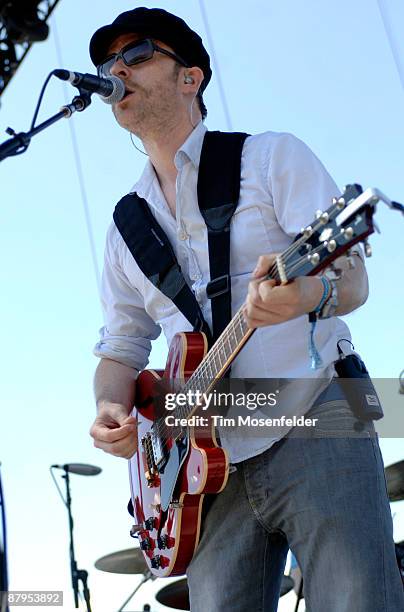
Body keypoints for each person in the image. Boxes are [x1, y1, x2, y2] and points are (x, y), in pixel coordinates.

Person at [88, 7, 404, 611]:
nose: (116, 70)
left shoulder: (270, 157)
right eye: (108, 62)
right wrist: (110, 407)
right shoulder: (124, 226)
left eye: (137, 55)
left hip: (317, 412)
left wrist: (304, 295)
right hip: (202, 472)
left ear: (191, 78)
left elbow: (354, 282)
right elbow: (121, 349)